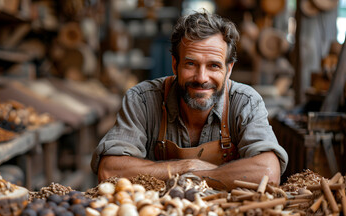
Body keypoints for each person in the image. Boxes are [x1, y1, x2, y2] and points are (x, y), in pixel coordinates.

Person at [91, 10, 288, 190]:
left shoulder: (245, 102)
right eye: (191, 64)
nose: (201, 78)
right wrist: (187, 165)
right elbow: (110, 171)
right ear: (175, 65)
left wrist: (194, 174)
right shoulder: (142, 101)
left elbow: (268, 173)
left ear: (228, 70)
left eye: (213, 66)